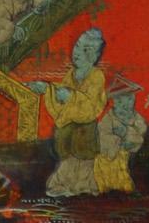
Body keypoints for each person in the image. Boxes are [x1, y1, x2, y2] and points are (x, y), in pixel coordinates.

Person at [29, 29, 107, 197]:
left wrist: (71, 96)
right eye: (78, 46)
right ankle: (66, 186)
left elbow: (91, 106)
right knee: (67, 159)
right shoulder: (70, 74)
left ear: (94, 56)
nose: (78, 52)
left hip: (85, 129)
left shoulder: (97, 76)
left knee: (83, 161)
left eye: (86, 50)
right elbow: (61, 95)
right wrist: (47, 88)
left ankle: (82, 187)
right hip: (69, 129)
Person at [93, 82, 145, 193]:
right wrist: (117, 140)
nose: (125, 105)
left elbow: (142, 130)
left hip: (130, 149)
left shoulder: (136, 117)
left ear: (134, 100)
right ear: (114, 102)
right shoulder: (109, 117)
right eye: (120, 101)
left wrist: (127, 132)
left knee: (124, 166)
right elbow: (102, 134)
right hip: (111, 152)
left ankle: (125, 188)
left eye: (130, 100)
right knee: (105, 164)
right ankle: (109, 188)